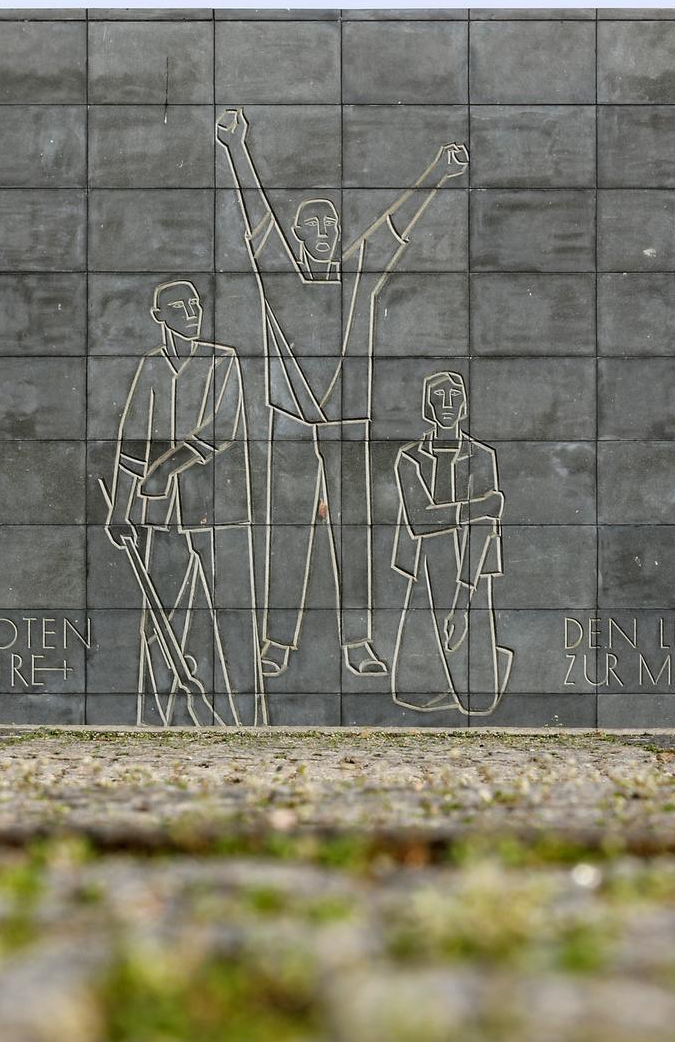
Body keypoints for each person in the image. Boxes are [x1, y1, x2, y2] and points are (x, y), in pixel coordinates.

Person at [215, 107, 468, 679]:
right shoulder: (279, 274)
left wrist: (440, 172)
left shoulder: (357, 277)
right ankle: (277, 642)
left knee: (353, 535)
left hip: (349, 424)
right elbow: (257, 218)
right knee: (288, 535)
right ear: (300, 235)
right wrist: (236, 147)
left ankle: (358, 642)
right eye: (316, 226)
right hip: (292, 423)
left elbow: (394, 227)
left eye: (333, 225)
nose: (327, 233)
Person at [104, 279, 264, 727]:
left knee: (232, 622)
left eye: (196, 304)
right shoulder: (153, 366)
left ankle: (243, 721)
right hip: (162, 517)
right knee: (158, 622)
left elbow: (223, 427)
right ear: (161, 316)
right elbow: (132, 443)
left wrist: (164, 470)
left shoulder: (223, 360)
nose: (192, 311)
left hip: (220, 513)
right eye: (180, 306)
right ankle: (157, 721)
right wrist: (120, 511)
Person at [387, 371, 512, 716]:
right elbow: (420, 519)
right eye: (439, 396)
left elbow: (484, 528)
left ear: (465, 404)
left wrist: (462, 597)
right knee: (413, 692)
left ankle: (491, 661)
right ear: (428, 404)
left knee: (480, 701)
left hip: (471, 564)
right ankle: (443, 680)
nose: (447, 404)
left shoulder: (481, 456)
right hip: (426, 563)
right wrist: (481, 506)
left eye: (455, 396)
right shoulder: (410, 457)